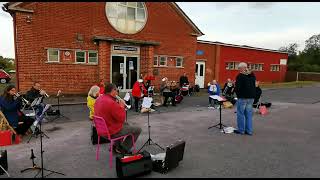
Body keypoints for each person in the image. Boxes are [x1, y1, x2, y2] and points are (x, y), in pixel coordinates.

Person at [94, 83, 142, 154]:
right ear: (113, 90)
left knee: (126, 124)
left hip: (101, 129)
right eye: (116, 90)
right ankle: (123, 149)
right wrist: (121, 106)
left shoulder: (99, 99)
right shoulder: (111, 103)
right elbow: (121, 118)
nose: (117, 92)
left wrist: (117, 106)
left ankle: (116, 146)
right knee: (137, 129)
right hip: (111, 132)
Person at [234, 62, 256, 136]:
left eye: (239, 68)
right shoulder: (252, 76)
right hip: (251, 97)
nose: (238, 69)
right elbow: (254, 85)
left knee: (240, 114)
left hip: (243, 97)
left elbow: (237, 88)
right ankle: (249, 131)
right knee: (248, 114)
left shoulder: (240, 76)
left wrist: (237, 94)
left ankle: (241, 130)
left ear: (242, 68)